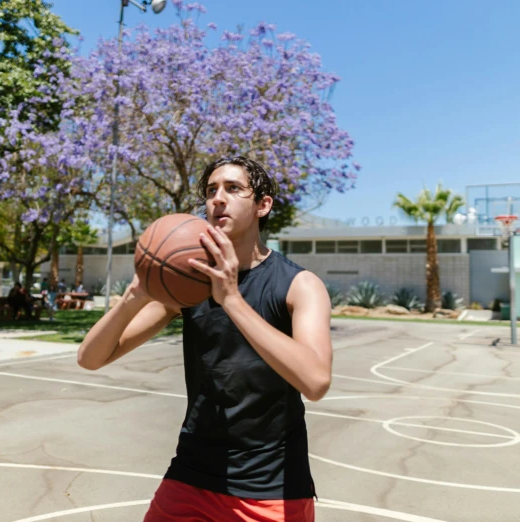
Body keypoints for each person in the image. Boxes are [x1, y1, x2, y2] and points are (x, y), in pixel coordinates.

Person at [78, 156, 332, 521]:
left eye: (233, 189)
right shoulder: (189, 284)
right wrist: (135, 294)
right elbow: (91, 358)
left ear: (263, 205)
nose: (217, 198)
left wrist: (231, 298)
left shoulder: (298, 285)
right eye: (211, 190)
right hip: (192, 472)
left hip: (269, 484)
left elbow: (316, 380)